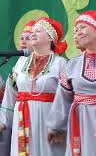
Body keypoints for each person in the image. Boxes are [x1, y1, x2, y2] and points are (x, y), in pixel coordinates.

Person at [47, 10, 96, 156]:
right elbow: (63, 97)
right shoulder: (72, 64)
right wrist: (56, 127)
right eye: (75, 31)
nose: (78, 33)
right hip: (80, 120)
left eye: (82, 28)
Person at [0, 17, 68, 156]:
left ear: (50, 38)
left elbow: (67, 99)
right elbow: (10, 96)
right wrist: (2, 121)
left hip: (49, 123)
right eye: (32, 31)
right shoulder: (20, 63)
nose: (33, 33)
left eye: (38, 30)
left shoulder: (61, 64)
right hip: (22, 121)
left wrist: (61, 127)